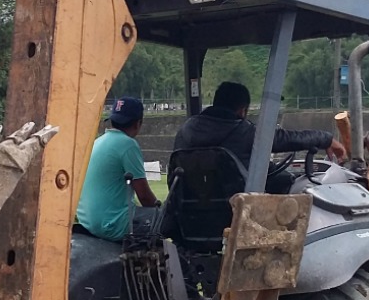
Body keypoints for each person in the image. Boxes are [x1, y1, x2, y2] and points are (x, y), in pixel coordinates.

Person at [173, 81, 346, 193]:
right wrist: (326, 139)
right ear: (242, 111)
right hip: (237, 214)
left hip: (191, 219)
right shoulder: (244, 131)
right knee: (287, 182)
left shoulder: (185, 132)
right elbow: (288, 138)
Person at [76, 96, 158, 241]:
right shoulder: (128, 145)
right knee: (165, 220)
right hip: (112, 226)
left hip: (87, 223)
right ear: (138, 124)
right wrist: (162, 210)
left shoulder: (96, 143)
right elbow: (144, 197)